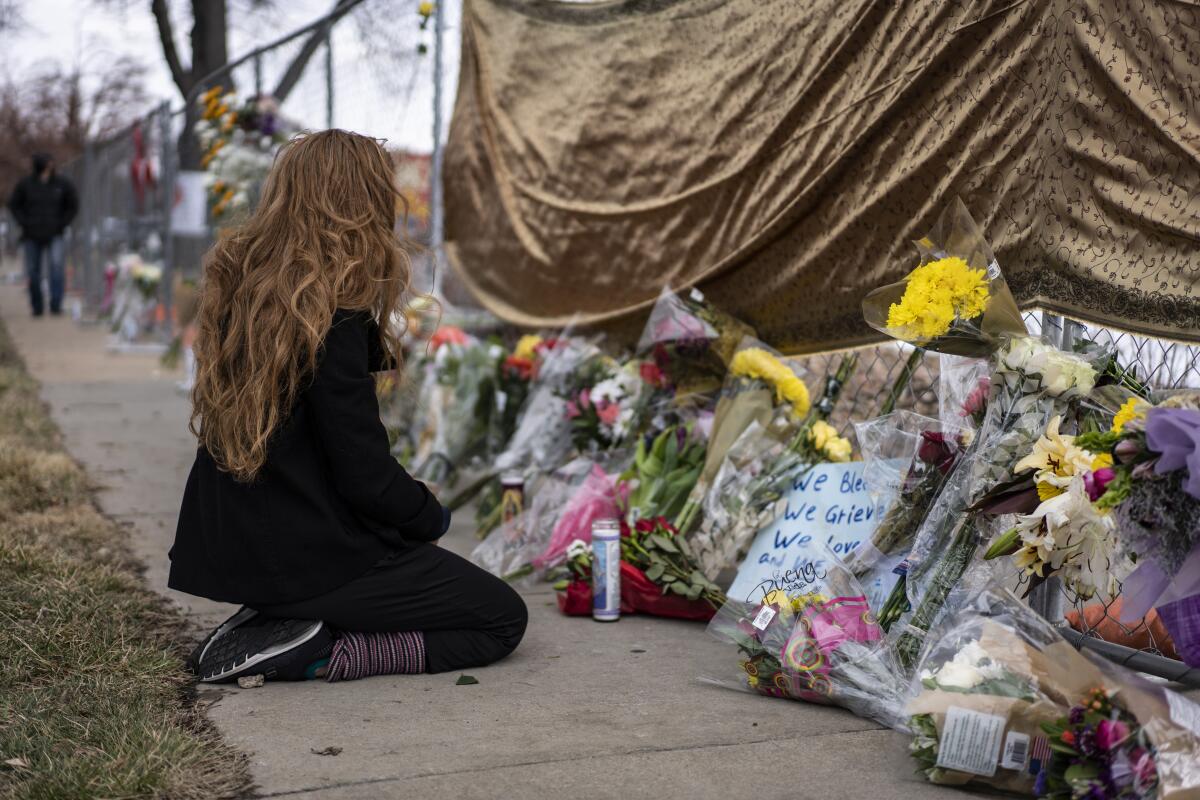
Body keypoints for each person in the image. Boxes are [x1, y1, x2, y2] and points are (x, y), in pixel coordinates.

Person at [170, 130, 527, 684]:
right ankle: (319, 650)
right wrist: (427, 514)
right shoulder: (331, 316)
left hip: (237, 545)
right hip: (306, 554)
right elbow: (362, 472)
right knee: (501, 618)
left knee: (415, 563)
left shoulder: (246, 293)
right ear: (360, 206)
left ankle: (280, 622)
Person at [7, 153, 79, 316]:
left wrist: (63, 223)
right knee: (33, 270)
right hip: (31, 234)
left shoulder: (62, 184)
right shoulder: (26, 184)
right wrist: (24, 222)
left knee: (56, 267)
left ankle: (56, 304)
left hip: (55, 233)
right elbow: (14, 205)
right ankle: (37, 305)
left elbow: (73, 205)